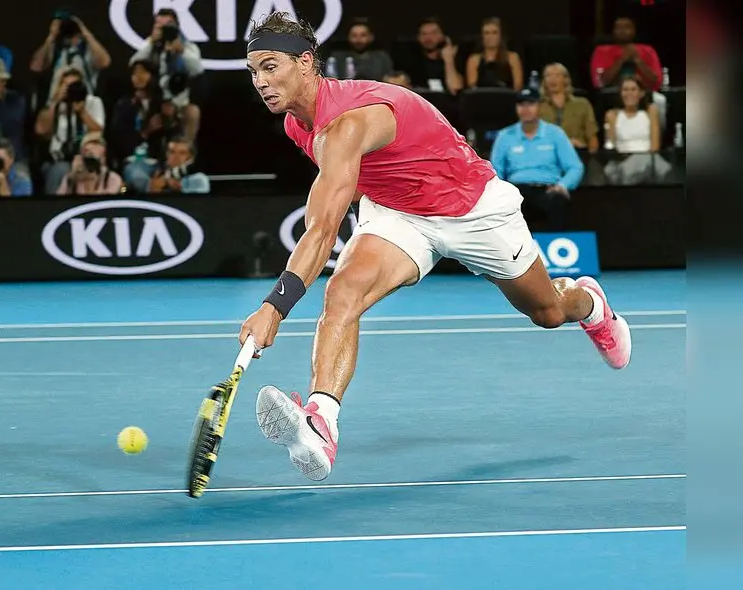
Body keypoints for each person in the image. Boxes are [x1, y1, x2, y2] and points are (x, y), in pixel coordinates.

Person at [239, 12, 633, 482]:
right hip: (400, 214)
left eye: (270, 66)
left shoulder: (348, 122)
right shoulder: (296, 125)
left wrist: (275, 307)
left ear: (306, 63)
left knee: (547, 311)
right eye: (253, 72)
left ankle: (589, 305)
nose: (261, 82)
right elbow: (332, 206)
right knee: (342, 292)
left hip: (471, 208)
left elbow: (322, 230)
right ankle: (322, 422)